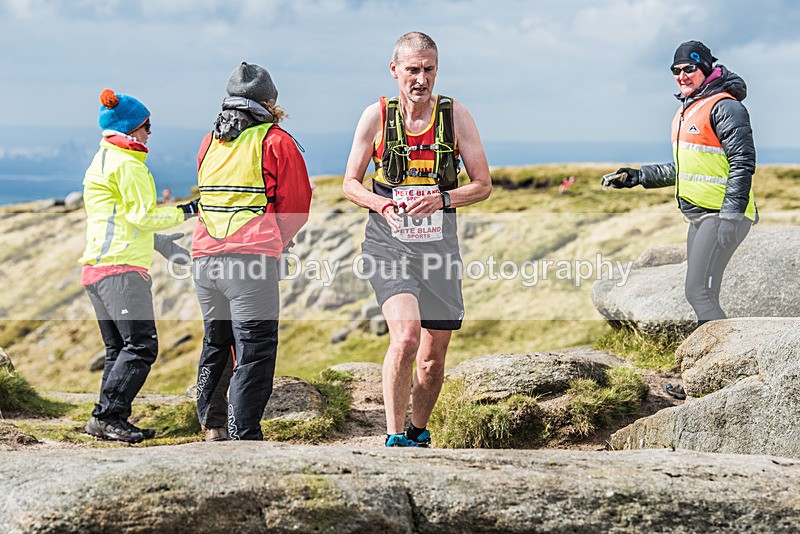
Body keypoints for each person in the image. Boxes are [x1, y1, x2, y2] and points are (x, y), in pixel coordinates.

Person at [342, 32, 492, 447]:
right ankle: (393, 437)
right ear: (395, 71)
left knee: (431, 358)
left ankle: (418, 432)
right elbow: (349, 184)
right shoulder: (375, 116)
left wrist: (443, 198)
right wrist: (383, 205)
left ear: (436, 70)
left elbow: (482, 185)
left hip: (440, 248)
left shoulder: (456, 115)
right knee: (406, 336)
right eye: (412, 70)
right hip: (388, 244)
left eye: (428, 69)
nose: (420, 79)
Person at [192, 62, 312, 441]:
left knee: (217, 342)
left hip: (203, 261)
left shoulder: (209, 141)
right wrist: (275, 243)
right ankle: (244, 434)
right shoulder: (276, 141)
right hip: (249, 264)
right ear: (269, 102)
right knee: (255, 350)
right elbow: (296, 206)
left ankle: (212, 426)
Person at [602, 41, 757, 327]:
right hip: (699, 215)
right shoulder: (689, 109)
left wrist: (731, 216)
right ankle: (716, 355)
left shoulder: (725, 107)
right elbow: (687, 168)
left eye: (690, 68)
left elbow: (742, 163)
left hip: (721, 213)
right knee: (703, 292)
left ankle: (722, 357)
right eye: (676, 70)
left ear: (706, 68)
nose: (682, 75)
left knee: (698, 292)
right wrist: (639, 177)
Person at [81, 88, 198, 443]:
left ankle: (105, 420)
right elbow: (141, 215)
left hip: (97, 269)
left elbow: (118, 217)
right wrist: (189, 210)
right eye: (148, 126)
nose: (151, 133)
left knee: (118, 350)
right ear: (133, 129)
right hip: (121, 270)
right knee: (141, 346)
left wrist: (160, 244)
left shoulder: (102, 159)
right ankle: (108, 416)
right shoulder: (129, 165)